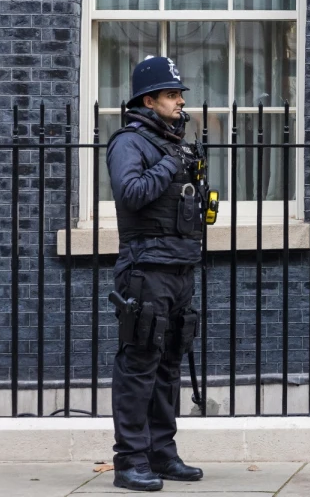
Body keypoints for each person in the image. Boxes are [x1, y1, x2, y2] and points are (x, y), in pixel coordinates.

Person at [107, 56, 207, 491]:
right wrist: (171, 161)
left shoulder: (174, 142)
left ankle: (162, 454)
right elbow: (131, 194)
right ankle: (130, 461)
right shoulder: (129, 142)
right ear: (148, 100)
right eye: (170, 95)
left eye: (180, 95)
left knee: (169, 364)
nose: (179, 102)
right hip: (146, 267)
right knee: (139, 364)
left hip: (180, 265)